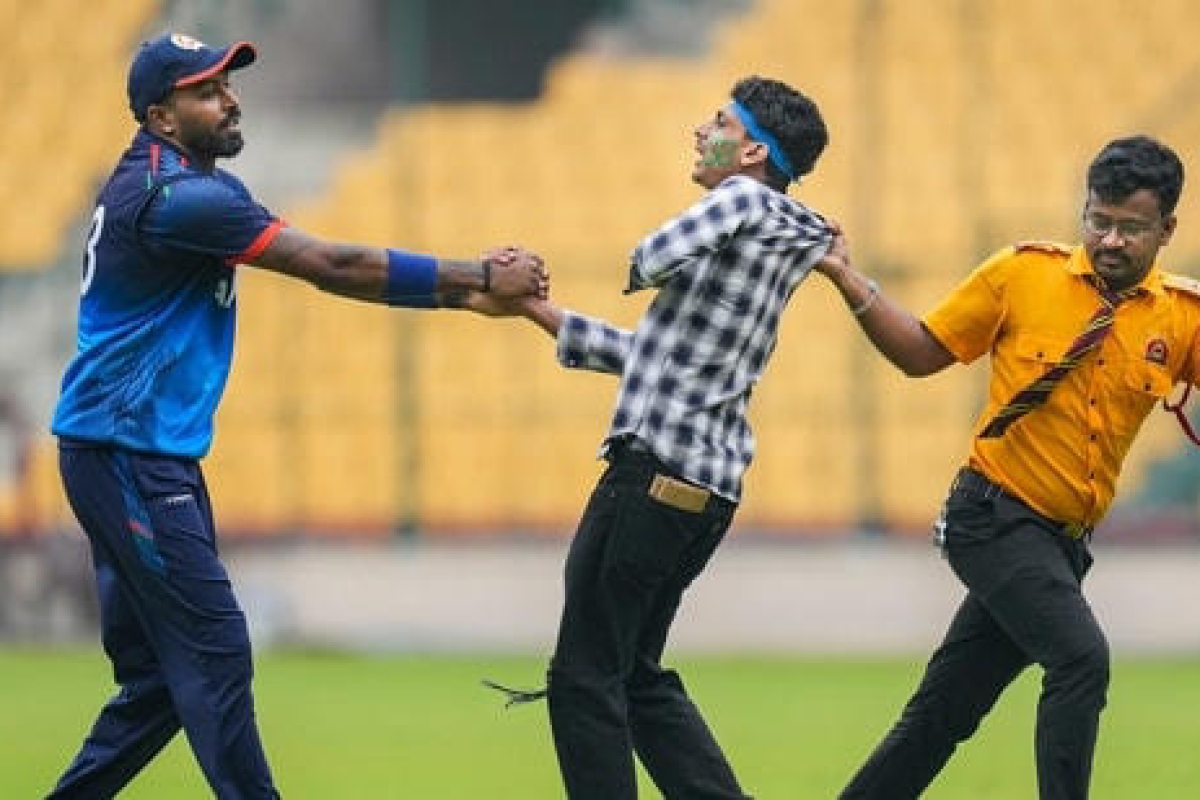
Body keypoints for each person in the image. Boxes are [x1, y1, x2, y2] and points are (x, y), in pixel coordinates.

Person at [47, 33, 545, 799]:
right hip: (126, 452)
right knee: (213, 651)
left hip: (134, 451)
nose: (230, 98)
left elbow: (334, 269)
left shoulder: (185, 186)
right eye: (207, 90)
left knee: (158, 682)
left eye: (228, 83)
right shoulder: (178, 199)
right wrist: (476, 273)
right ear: (162, 116)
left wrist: (466, 299)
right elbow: (331, 264)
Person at [482, 76, 834, 799]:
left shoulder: (738, 203)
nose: (700, 132)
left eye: (719, 122)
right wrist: (537, 313)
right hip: (703, 493)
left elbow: (648, 259)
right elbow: (653, 358)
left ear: (752, 153)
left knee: (583, 674)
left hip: (649, 478)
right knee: (634, 675)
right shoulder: (783, 235)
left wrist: (544, 276)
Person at [815, 135, 1195, 800]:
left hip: (1061, 546)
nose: (1110, 239)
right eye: (1098, 220)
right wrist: (851, 280)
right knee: (1081, 660)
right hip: (990, 517)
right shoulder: (1022, 275)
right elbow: (921, 354)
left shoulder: (1182, 317)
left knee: (944, 712)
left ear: (1167, 229)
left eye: (1131, 228)